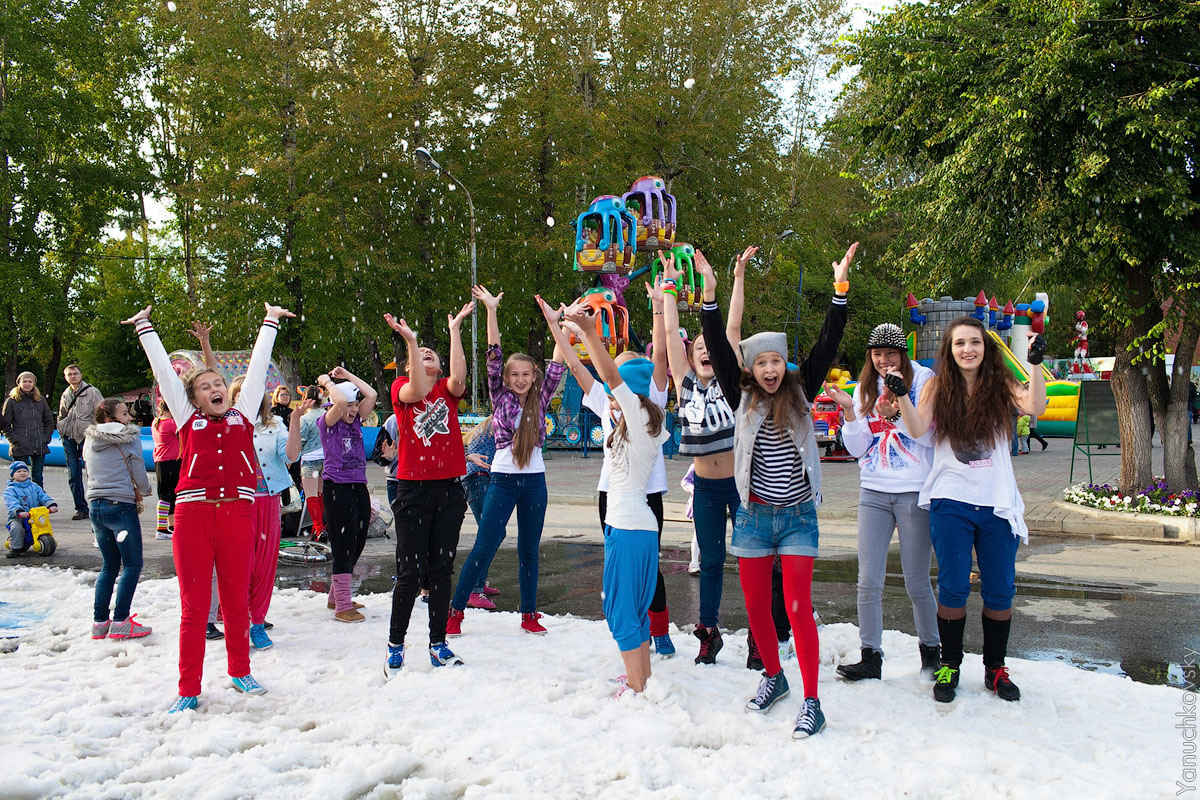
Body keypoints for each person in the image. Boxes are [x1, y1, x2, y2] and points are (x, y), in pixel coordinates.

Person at [701, 241, 856, 739]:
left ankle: (812, 701)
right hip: (752, 517)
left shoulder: (802, 390)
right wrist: (709, 294)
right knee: (754, 611)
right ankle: (774, 677)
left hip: (796, 518)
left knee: (794, 608)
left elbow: (828, 343)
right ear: (751, 368)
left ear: (785, 364)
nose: (769, 369)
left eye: (776, 361)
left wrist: (838, 291)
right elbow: (721, 349)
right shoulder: (740, 392)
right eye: (761, 362)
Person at [124, 301, 293, 713]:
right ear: (193, 398)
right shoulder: (186, 419)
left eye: (219, 383)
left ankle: (240, 670)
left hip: (239, 513)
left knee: (236, 599)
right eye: (206, 386)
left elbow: (255, 372)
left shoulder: (243, 414)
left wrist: (269, 321)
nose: (216, 388)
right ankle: (188, 688)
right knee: (195, 606)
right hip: (193, 515)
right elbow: (166, 373)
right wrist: (146, 327)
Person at [893, 316, 1047, 704]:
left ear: (985, 346)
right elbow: (916, 428)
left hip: (996, 502)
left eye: (974, 342)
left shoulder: (1000, 384)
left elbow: (1036, 406)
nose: (967, 349)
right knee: (954, 586)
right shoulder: (937, 387)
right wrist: (900, 397)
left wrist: (1034, 363)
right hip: (951, 502)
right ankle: (950, 665)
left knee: (999, 590)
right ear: (950, 349)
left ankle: (995, 669)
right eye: (960, 343)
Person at [559, 278, 677, 657]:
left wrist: (660, 307)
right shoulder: (607, 404)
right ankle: (631, 627)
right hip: (610, 496)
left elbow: (659, 354)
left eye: (623, 372)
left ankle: (657, 629)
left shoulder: (649, 403)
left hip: (648, 497)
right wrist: (560, 327)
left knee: (649, 568)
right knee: (618, 565)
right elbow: (578, 368)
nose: (614, 382)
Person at [447, 286, 567, 636]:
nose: (519, 379)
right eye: (514, 375)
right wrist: (492, 311)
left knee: (529, 551)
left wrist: (557, 324)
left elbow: (559, 362)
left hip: (534, 483)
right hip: (501, 479)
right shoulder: (500, 397)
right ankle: (455, 610)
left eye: (526, 374)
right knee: (485, 545)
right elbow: (494, 353)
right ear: (506, 379)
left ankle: (529, 615)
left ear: (533, 377)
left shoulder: (542, 398)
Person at [824, 322, 940, 682]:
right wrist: (849, 412)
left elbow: (929, 436)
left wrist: (896, 414)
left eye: (890, 353)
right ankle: (870, 656)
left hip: (913, 489)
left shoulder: (925, 380)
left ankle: (932, 653)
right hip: (873, 489)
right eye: (877, 354)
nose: (884, 361)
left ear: (903, 353)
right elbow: (859, 449)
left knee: (916, 580)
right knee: (867, 580)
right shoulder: (865, 387)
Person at [661, 246, 757, 664]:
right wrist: (668, 289)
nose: (703, 349)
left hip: (741, 483)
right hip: (705, 487)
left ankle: (760, 636)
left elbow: (730, 326)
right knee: (712, 560)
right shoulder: (683, 382)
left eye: (708, 345)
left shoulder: (730, 382)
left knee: (754, 559)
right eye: (696, 345)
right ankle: (709, 631)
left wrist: (735, 278)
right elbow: (669, 335)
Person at [384, 304, 473, 677]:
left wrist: (454, 331)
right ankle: (395, 645)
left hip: (450, 489)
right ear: (409, 365)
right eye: (420, 356)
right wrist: (412, 341)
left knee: (441, 570)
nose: (426, 356)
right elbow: (418, 386)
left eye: (430, 354)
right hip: (413, 490)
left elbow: (460, 378)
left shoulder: (447, 391)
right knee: (410, 572)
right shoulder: (404, 389)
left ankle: (438, 644)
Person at [229, 376, 295, 648]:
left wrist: (297, 425)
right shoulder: (225, 425)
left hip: (267, 498)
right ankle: (237, 619)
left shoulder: (276, 424)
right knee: (240, 564)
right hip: (236, 501)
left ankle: (257, 621)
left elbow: (290, 457)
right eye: (242, 394)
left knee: (264, 565)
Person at [85, 397, 153, 640]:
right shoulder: (130, 438)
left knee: (109, 565)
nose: (130, 418)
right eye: (125, 414)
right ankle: (122, 620)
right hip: (121, 506)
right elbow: (138, 470)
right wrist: (145, 490)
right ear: (110, 418)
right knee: (132, 564)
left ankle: (100, 622)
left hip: (96, 506)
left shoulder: (90, 439)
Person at [314, 367, 378, 622]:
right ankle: (342, 606)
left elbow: (371, 395)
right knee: (343, 542)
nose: (352, 410)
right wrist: (328, 381)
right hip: (336, 487)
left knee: (358, 539)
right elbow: (339, 402)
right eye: (348, 406)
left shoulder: (357, 421)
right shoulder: (327, 422)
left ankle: (336, 596)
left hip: (358, 485)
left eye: (354, 405)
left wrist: (349, 375)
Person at [461, 416, 500, 609]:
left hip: (478, 479)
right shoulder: (500, 422)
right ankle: (474, 589)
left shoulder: (490, 423)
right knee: (491, 535)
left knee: (493, 534)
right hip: (479, 478)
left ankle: (478, 583)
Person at [58, 365, 104, 519]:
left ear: (81, 374)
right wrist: (61, 426)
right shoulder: (66, 393)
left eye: (75, 374)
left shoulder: (92, 392)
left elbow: (101, 413)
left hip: (87, 436)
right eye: (69, 374)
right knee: (73, 474)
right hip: (69, 436)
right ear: (65, 377)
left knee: (93, 472)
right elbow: (62, 414)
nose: (72, 377)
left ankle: (96, 506)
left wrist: (95, 431)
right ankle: (81, 507)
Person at [1, 372, 56, 489]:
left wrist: (46, 437)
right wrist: (14, 440)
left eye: (30, 381)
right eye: (24, 381)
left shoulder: (40, 400)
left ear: (34, 384)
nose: (27, 384)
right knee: (19, 478)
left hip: (39, 445)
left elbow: (49, 421)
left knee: (38, 478)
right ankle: (20, 504)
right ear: (19, 383)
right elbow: (5, 424)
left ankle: (38, 503)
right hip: (20, 446)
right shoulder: (11, 401)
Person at [4, 461, 58, 557]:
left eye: (25, 471)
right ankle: (15, 548)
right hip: (18, 517)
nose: (22, 473)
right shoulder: (10, 490)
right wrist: (19, 511)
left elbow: (43, 496)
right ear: (13, 475)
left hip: (36, 516)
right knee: (17, 528)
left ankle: (47, 540)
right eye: (19, 471)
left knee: (44, 524)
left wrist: (50, 505)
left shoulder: (34, 486)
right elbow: (11, 502)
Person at [297, 389, 327, 541]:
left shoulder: (305, 419)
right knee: (320, 494)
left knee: (311, 496)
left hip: (309, 459)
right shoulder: (327, 415)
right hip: (326, 458)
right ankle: (321, 528)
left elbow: (300, 441)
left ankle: (319, 528)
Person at [152, 399, 181, 541]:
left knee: (167, 495)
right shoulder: (171, 424)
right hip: (171, 461)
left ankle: (170, 525)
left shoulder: (156, 422)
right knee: (168, 496)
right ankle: (161, 528)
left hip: (161, 461)